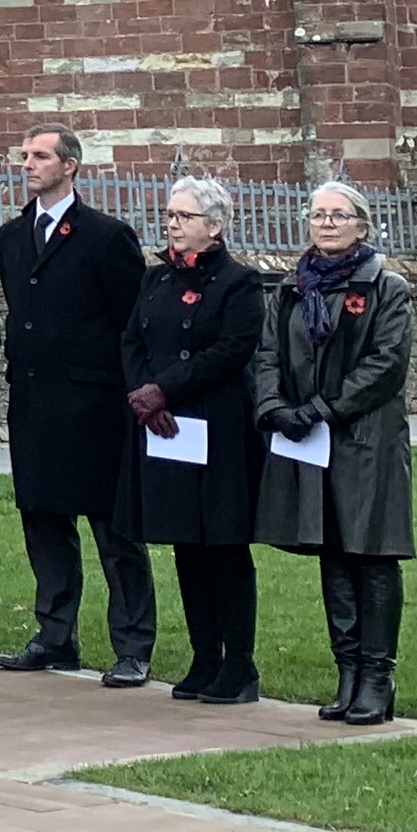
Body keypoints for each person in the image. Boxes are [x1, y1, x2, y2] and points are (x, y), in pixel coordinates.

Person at [0, 125, 155, 686]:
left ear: (70, 166)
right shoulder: (12, 236)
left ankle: (132, 645)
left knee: (115, 533)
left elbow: (132, 323)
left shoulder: (106, 237)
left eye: (40, 156)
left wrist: (134, 395)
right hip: (35, 403)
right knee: (43, 522)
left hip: (96, 407)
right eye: (24, 156)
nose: (28, 164)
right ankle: (55, 635)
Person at [254, 180, 416, 726]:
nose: (326, 223)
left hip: (366, 438)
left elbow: (386, 364)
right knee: (332, 550)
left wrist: (323, 408)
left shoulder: (385, 287)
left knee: (371, 550)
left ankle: (376, 675)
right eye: (318, 214)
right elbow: (268, 353)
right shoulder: (292, 289)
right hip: (309, 438)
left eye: (338, 215)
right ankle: (347, 672)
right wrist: (275, 406)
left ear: (361, 226)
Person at [120, 178, 265, 704]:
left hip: (216, 425)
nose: (173, 224)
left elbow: (232, 349)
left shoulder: (239, 282)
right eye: (169, 215)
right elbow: (133, 339)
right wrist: (144, 393)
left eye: (184, 216)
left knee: (223, 545)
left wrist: (166, 388)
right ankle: (205, 656)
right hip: (165, 427)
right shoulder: (155, 277)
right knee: (186, 543)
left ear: (215, 225)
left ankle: (239, 664)